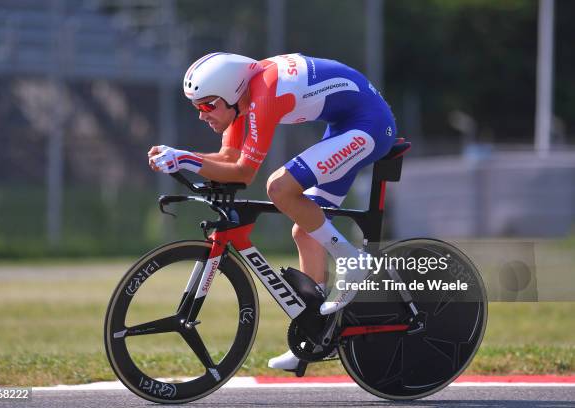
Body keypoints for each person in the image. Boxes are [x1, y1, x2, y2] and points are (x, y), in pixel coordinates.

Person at [148, 52, 397, 371]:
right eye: (197, 107)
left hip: (369, 127)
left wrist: (185, 161)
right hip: (345, 126)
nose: (202, 115)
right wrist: (181, 156)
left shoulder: (266, 92)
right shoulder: (243, 96)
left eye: (208, 105)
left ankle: (351, 259)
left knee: (279, 187)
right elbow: (228, 157)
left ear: (230, 92)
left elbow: (243, 173)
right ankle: (314, 333)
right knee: (305, 231)